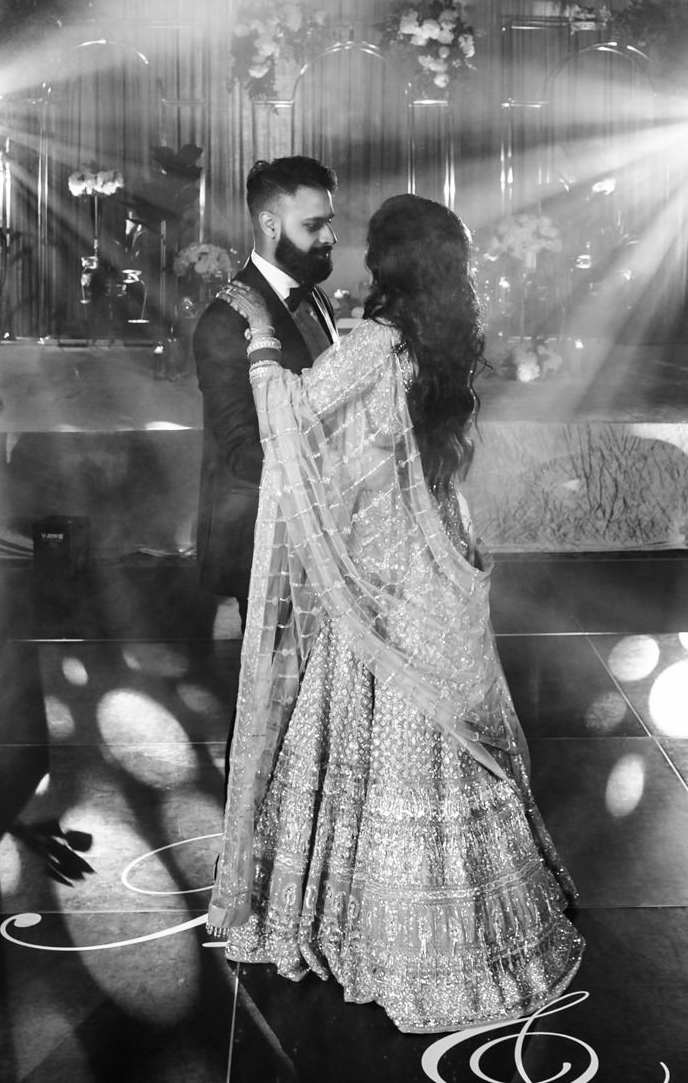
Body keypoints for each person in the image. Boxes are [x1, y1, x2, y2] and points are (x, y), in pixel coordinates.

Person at [207, 193, 582, 1034]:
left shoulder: (377, 343)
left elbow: (293, 418)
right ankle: (481, 929)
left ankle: (388, 936)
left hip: (383, 574)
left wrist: (260, 341)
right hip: (435, 559)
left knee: (385, 739)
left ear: (388, 264)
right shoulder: (447, 345)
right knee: (437, 737)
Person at [193, 157, 340, 618]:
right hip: (262, 534)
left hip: (321, 526)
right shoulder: (226, 319)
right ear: (270, 224)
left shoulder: (314, 293)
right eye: (314, 225)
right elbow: (240, 451)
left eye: (328, 223)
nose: (330, 238)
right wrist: (341, 473)